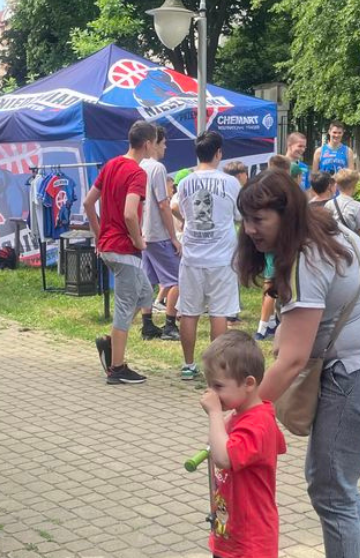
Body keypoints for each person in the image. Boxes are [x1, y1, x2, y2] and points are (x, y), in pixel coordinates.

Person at [233, 167, 360, 558]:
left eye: (259, 219)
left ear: (285, 213)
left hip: (358, 371)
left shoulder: (307, 256)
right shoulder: (326, 231)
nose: (250, 229)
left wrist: (244, 411)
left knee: (329, 487)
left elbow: (293, 358)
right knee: (340, 484)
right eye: (245, 220)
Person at [184, 331, 295, 558]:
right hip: (228, 532)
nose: (212, 394)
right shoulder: (243, 414)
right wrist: (225, 417)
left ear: (248, 384)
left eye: (218, 386)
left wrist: (216, 415)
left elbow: (225, 456)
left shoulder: (257, 422)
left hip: (250, 535)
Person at [85, 121, 158, 385]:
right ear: (148, 144)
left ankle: (109, 342)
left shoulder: (111, 164)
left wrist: (98, 234)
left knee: (146, 295)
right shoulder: (137, 173)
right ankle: (117, 368)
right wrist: (138, 240)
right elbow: (130, 213)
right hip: (124, 250)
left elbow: (87, 202)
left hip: (109, 247)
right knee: (126, 305)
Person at [172, 132, 243, 380]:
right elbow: (238, 216)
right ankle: (216, 368)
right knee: (219, 313)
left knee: (189, 312)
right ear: (219, 153)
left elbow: (181, 211)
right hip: (222, 257)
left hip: (192, 255)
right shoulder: (231, 183)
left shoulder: (184, 183)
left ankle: (188, 365)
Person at [140, 126, 182, 342]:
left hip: (142, 233)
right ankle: (170, 325)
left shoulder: (138, 165)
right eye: (164, 143)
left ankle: (147, 324)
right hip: (158, 232)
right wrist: (173, 236)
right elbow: (163, 204)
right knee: (177, 279)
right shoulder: (157, 168)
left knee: (147, 280)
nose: (166, 147)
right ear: (155, 142)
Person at [310, 170, 360, 239]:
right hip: (352, 246)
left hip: (335, 244)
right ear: (355, 186)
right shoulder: (358, 206)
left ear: (337, 186)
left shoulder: (329, 204)